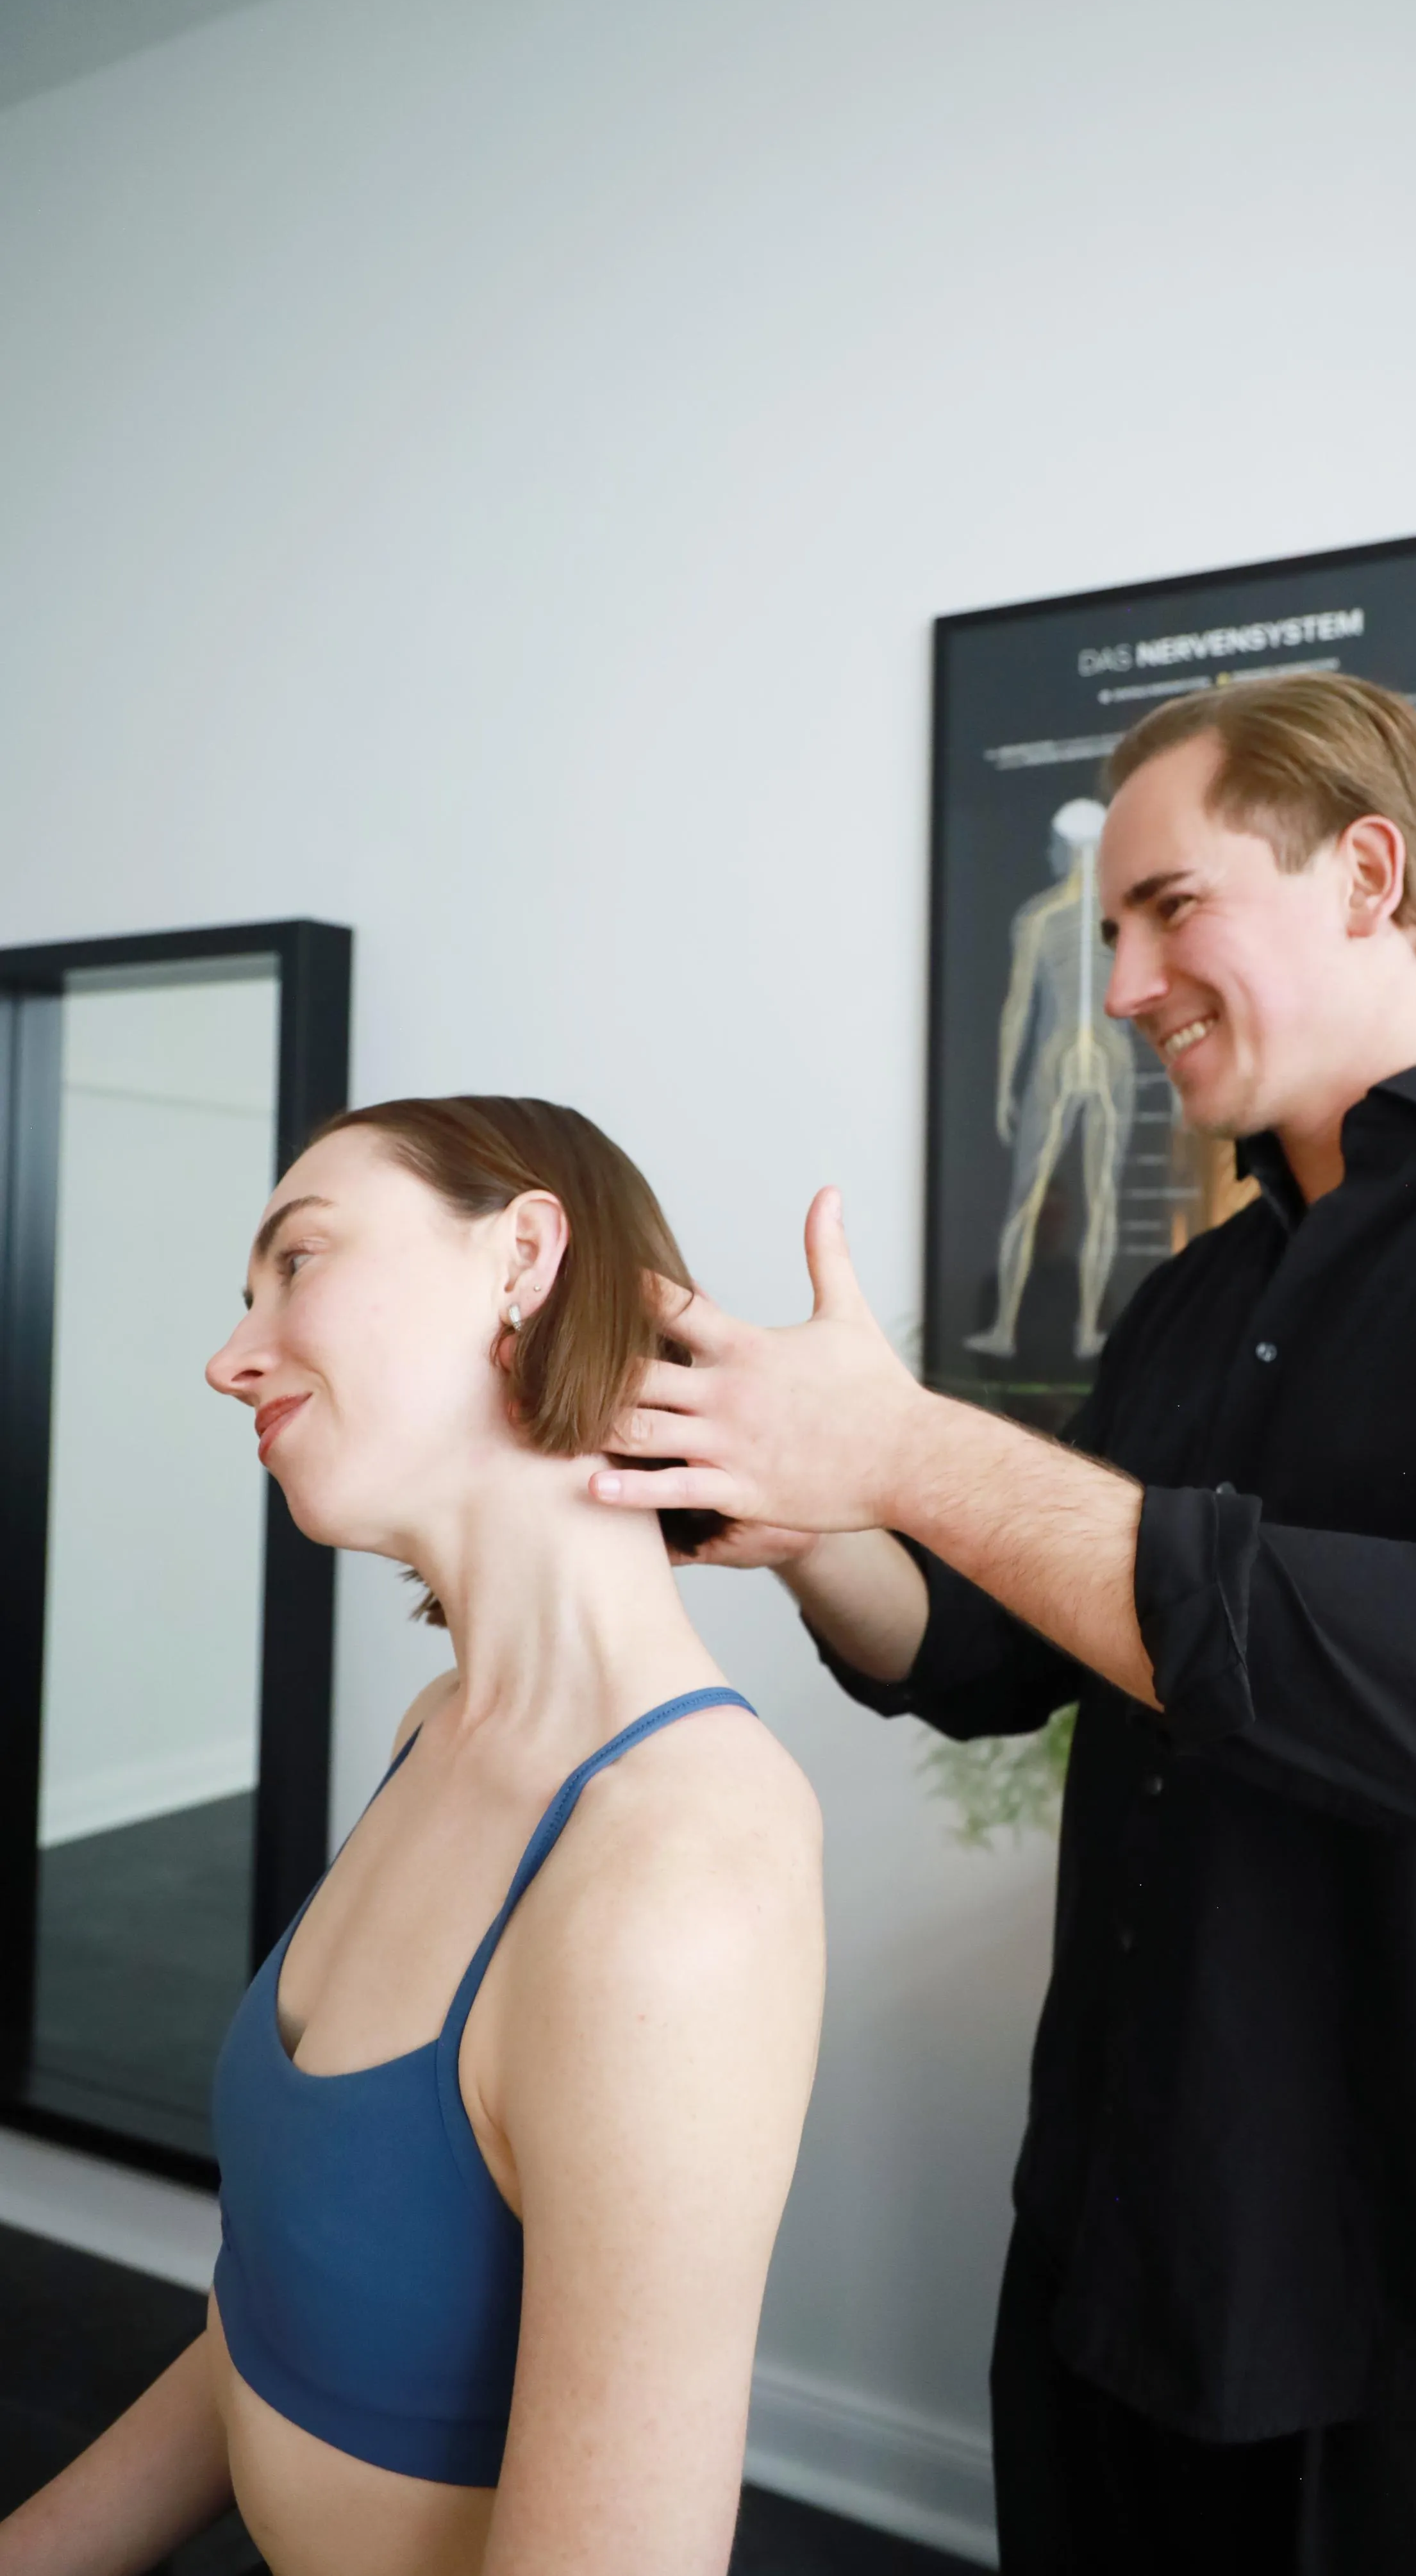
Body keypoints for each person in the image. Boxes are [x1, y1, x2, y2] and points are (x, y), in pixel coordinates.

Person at [588, 673, 1416, 2576]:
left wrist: (911, 1446)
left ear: (1365, 873)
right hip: (1113, 2277)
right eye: (1109, 928)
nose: (1118, 983)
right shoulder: (1191, 1303)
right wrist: (816, 1518)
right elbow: (982, 1656)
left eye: (1167, 908)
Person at [0, 1096, 824, 2576]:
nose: (227, 1356)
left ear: (522, 1257)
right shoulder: (437, 1731)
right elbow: (283, 2309)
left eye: (297, 1262)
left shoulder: (677, 1867)